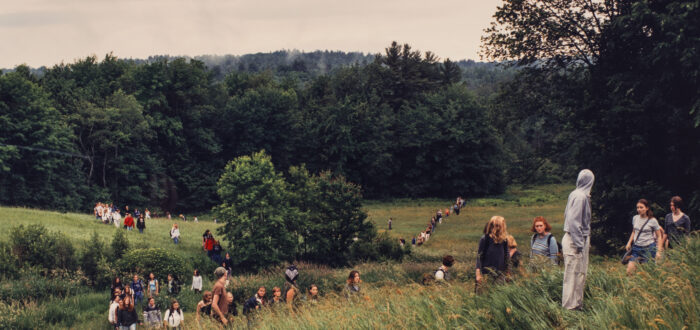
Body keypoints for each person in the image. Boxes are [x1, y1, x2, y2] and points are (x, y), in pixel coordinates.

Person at [562, 169, 594, 310]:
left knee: (579, 274)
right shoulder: (580, 196)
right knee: (572, 276)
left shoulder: (577, 195)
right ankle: (569, 308)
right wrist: (580, 244)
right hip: (574, 241)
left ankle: (577, 305)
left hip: (576, 239)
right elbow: (574, 222)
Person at [625, 199, 664, 275]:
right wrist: (629, 242)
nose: (639, 209)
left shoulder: (652, 220)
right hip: (636, 248)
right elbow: (634, 231)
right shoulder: (635, 218)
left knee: (646, 273)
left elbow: (659, 236)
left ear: (647, 208)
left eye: (641, 207)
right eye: (638, 207)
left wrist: (658, 252)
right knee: (629, 271)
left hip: (648, 249)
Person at [475, 216, 510, 292]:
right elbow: (479, 257)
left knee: (498, 295)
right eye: (497, 226)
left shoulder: (504, 240)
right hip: (486, 274)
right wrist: (478, 274)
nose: (499, 228)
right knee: (484, 295)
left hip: (500, 274)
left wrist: (508, 273)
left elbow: (507, 256)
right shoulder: (485, 239)